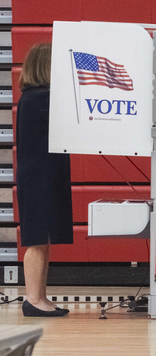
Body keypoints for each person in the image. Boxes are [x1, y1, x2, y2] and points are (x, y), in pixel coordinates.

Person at [15, 43, 71, 317]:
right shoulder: (40, 98)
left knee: (44, 239)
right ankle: (33, 299)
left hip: (41, 173)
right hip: (37, 176)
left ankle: (40, 296)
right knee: (36, 238)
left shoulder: (33, 96)